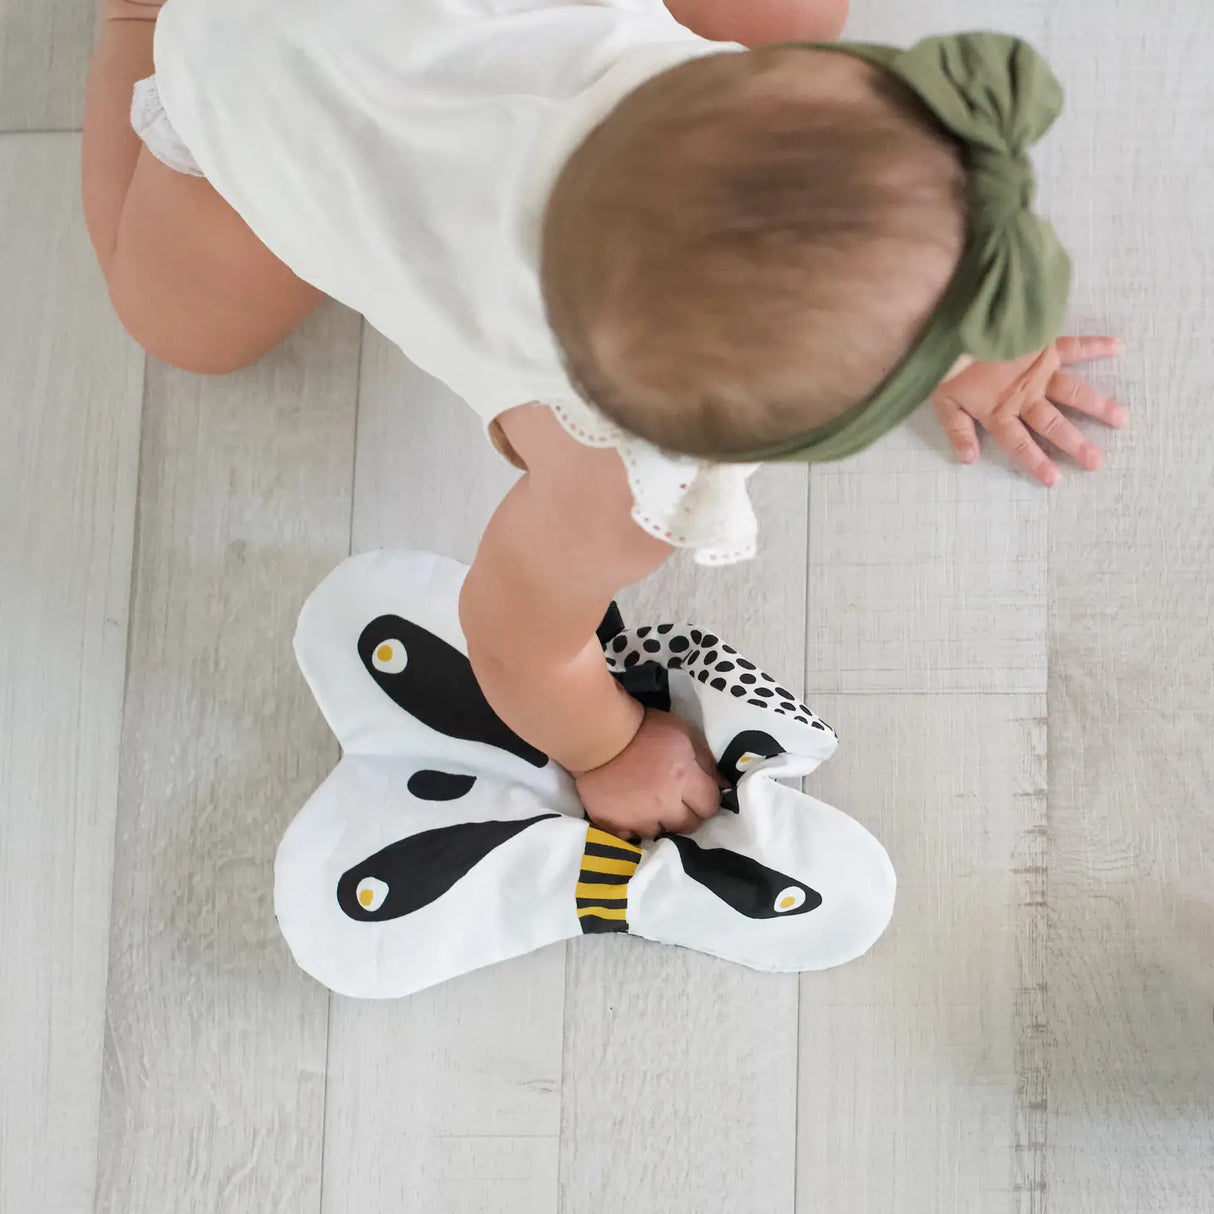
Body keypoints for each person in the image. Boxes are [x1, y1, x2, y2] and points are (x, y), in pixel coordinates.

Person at [82, 1, 1127, 840]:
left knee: (795, 14)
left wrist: (944, 319)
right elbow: (515, 637)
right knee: (178, 324)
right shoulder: (618, 483)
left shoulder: (719, 111)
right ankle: (135, 21)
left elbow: (867, 193)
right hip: (253, 63)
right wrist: (606, 745)